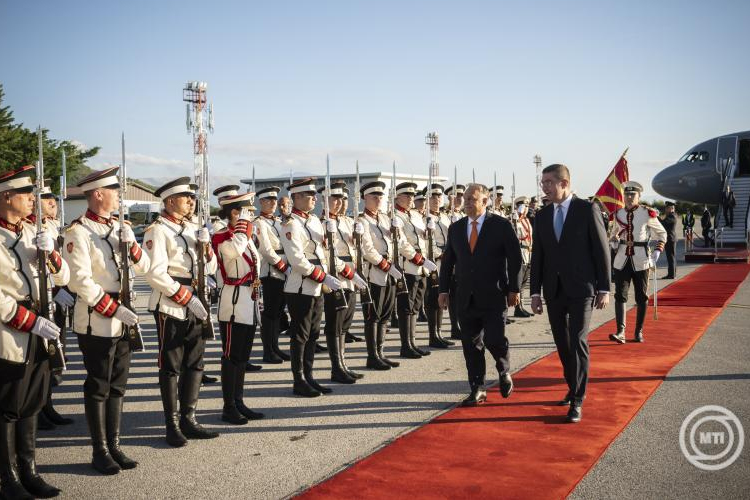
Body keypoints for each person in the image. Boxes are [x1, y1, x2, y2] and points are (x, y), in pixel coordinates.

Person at [63, 167, 151, 474]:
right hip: (97, 319)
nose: (119, 197)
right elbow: (79, 281)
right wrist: (113, 309)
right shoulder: (78, 232)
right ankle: (99, 450)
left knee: (118, 385)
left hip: (123, 316)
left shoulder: (118, 227)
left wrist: (132, 245)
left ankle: (114, 445)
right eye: (114, 191)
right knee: (99, 384)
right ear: (98, 194)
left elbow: (144, 267)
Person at [0, 165, 69, 498]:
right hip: (10, 329)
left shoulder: (32, 231)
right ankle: (8, 478)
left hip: (40, 326)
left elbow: (63, 276)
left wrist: (50, 253)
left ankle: (29, 470)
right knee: (7, 406)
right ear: (6, 197)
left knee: (31, 402)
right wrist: (27, 320)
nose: (33, 199)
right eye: (26, 194)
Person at [530, 164, 611, 423]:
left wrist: (604, 287)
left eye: (548, 182)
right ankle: (572, 384)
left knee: (577, 340)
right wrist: (534, 292)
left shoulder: (587, 209)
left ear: (564, 183)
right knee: (562, 343)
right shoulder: (542, 215)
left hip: (582, 289)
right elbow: (538, 256)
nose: (544, 187)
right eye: (542, 182)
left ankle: (577, 399)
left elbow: (601, 250)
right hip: (553, 290)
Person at [143, 177, 219, 447]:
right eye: (186, 198)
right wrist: (184, 297)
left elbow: (210, 268)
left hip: (197, 299)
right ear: (171, 200)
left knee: (195, 362)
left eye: (192, 198)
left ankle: (189, 418)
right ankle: (172, 425)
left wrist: (207, 248)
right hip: (171, 303)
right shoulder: (157, 230)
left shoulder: (193, 228)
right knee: (171, 366)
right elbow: (154, 273)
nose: (191, 202)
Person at [438, 183, 522, 406]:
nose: (465, 202)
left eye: (471, 199)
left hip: (494, 295)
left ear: (485, 201)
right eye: (465, 198)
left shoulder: (501, 226)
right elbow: (448, 262)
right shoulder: (456, 228)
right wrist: (443, 290)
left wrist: (514, 289)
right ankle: (478, 388)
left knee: (494, 339)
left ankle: (503, 370)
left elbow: (515, 259)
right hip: (465, 296)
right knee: (471, 345)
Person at [280, 178, 345, 397]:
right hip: (301, 287)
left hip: (317, 287)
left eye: (314, 195)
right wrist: (323, 277)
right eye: (309, 196)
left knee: (313, 334)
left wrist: (330, 235)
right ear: (296, 198)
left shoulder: (315, 220)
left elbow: (323, 251)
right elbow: (297, 260)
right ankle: (298, 380)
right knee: (300, 335)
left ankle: (309, 376)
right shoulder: (290, 224)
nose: (314, 199)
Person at [211, 192, 265, 425]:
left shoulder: (244, 235)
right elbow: (233, 251)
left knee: (243, 356)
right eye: (246, 212)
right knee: (231, 356)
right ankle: (228, 407)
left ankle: (239, 401)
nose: (251, 216)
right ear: (235, 213)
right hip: (232, 302)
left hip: (248, 300)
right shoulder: (223, 236)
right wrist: (243, 226)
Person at [32, 184, 75, 430]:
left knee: (55, 353)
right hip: (44, 298)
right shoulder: (33, 227)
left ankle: (46, 405)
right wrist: (56, 291)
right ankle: (36, 408)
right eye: (46, 199)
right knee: (41, 356)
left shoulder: (52, 226)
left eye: (53, 199)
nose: (52, 203)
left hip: (57, 297)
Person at [317, 182, 368, 383]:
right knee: (335, 324)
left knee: (345, 323)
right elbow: (325, 252)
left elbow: (354, 249)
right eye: (335, 199)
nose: (339, 203)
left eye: (341, 199)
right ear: (325, 200)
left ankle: (344, 364)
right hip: (335, 276)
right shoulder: (320, 223)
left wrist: (358, 236)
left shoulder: (347, 221)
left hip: (350, 276)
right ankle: (336, 367)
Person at [608, 182, 667, 344]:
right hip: (622, 260)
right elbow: (613, 237)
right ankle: (620, 331)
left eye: (632, 195)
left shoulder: (647, 213)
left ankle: (638, 331)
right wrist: (613, 242)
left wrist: (657, 251)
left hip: (641, 260)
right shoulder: (618, 214)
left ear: (639, 196)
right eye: (626, 194)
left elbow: (662, 234)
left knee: (641, 297)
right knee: (620, 295)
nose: (629, 197)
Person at [358, 181, 404, 370]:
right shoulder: (362, 221)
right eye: (374, 197)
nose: (378, 200)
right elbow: (367, 250)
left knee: (385, 314)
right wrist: (385, 265)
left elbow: (397, 243)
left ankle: (381, 353)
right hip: (374, 273)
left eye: (380, 197)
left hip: (390, 272)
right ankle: (372, 356)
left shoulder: (386, 219)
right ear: (365, 199)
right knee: (373, 316)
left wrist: (396, 232)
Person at [393, 182, 439, 358]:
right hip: (409, 265)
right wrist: (418, 259)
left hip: (421, 267)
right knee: (406, 306)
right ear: (398, 197)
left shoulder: (415, 215)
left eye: (412, 195)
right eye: (407, 196)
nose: (411, 198)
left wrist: (428, 231)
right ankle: (405, 345)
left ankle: (412, 342)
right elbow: (402, 243)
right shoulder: (396, 216)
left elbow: (423, 239)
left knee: (416, 306)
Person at [254, 186, 291, 364]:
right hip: (271, 272)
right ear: (261, 202)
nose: (273, 203)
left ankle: (275, 347)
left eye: (274, 200)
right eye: (269, 200)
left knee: (278, 312)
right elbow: (266, 250)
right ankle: (268, 351)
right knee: (270, 314)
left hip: (284, 271)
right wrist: (284, 267)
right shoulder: (259, 223)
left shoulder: (278, 221)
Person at [424, 184, 454, 348]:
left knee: (442, 297)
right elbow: (427, 242)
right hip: (434, 261)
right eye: (433, 197)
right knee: (432, 299)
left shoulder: (444, 217)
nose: (437, 200)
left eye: (439, 197)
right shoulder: (425, 218)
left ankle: (439, 332)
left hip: (446, 260)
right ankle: (432, 335)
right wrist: (440, 254)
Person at [340, 188, 362, 344]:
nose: (343, 203)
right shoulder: (325, 222)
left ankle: (346, 330)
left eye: (345, 200)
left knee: (351, 304)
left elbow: (354, 245)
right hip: (340, 268)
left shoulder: (348, 221)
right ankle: (339, 333)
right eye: (340, 199)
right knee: (341, 306)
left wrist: (357, 235)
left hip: (351, 266)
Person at [443, 184, 465, 341]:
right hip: (450, 258)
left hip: (463, 260)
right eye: (455, 196)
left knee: (462, 294)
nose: (458, 199)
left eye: (461, 196)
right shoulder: (444, 216)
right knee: (453, 295)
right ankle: (454, 326)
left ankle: (462, 324)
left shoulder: (465, 215)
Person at [511, 196, 534, 318]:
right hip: (521, 252)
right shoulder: (516, 221)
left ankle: (521, 306)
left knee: (524, 282)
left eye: (527, 206)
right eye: (524, 206)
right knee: (519, 282)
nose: (526, 208)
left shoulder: (526, 220)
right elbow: (515, 235)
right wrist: (515, 220)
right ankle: (517, 307)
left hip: (528, 252)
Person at [660, 201, 678, 279]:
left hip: (670, 239)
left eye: (667, 208)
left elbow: (663, 223)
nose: (666, 210)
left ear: (671, 208)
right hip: (670, 238)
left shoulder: (672, 216)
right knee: (671, 257)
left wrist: (656, 216)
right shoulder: (670, 215)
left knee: (671, 257)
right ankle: (672, 274)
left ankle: (671, 275)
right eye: (666, 208)